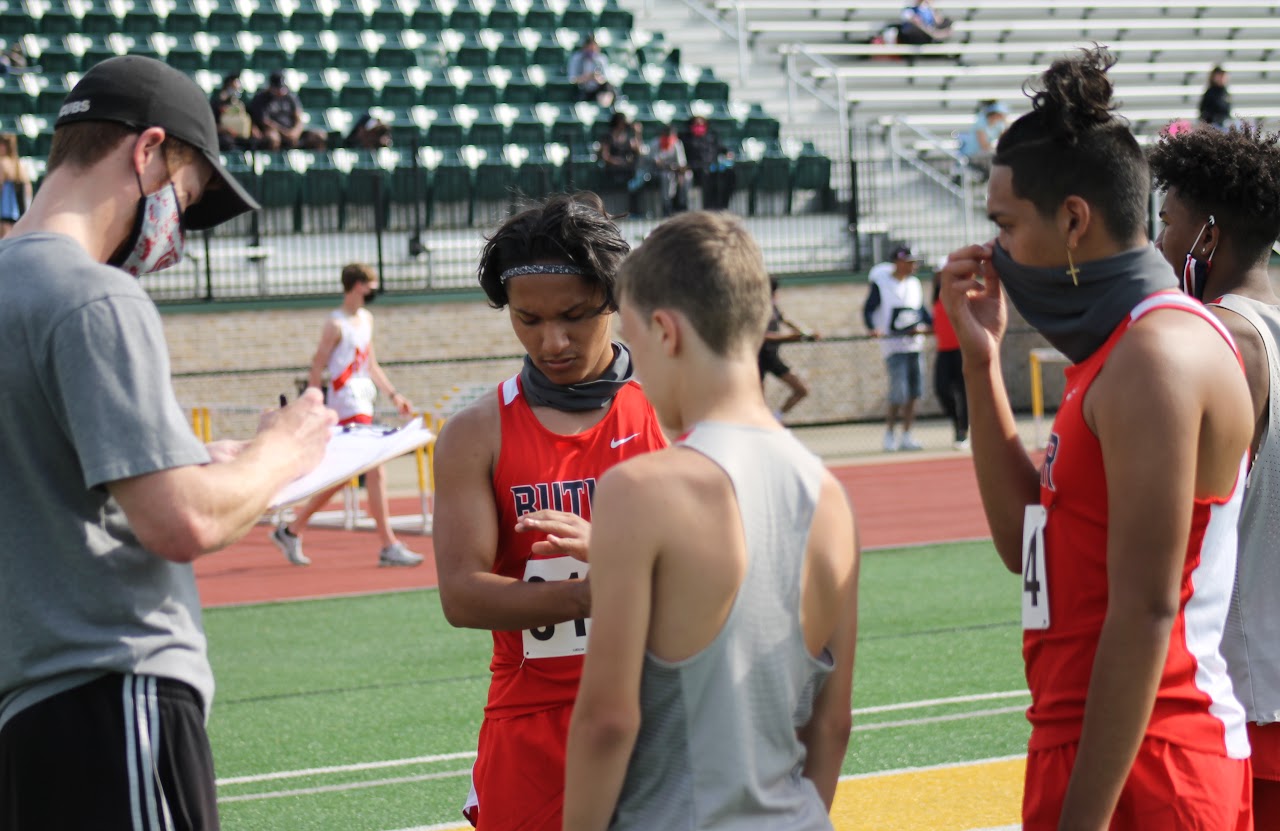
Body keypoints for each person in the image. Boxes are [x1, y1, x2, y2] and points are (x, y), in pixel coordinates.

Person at [0, 55, 335, 829]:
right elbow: (183, 521)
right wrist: (284, 448)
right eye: (184, 196)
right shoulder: (92, 295)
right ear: (146, 150)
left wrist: (198, 466)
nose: (175, 231)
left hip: (27, 715)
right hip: (116, 693)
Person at [938, 46, 1254, 830]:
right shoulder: (1115, 353)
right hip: (1104, 747)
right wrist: (981, 366)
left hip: (1151, 757)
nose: (998, 248)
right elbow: (1026, 544)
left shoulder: (1156, 354)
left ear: (1073, 219)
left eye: (1006, 224)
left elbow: (1146, 610)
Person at [562, 211, 859, 831]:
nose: (633, 370)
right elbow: (832, 724)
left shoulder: (641, 490)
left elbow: (607, 722)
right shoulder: (828, 494)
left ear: (665, 331)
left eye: (634, 343)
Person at [431, 192, 667, 831]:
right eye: (527, 319)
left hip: (666, 708)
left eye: (574, 316)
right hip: (534, 719)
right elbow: (462, 596)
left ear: (615, 301)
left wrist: (619, 564)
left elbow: (736, 569)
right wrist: (599, 591)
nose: (551, 341)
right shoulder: (475, 434)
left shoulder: (674, 414)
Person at [1150, 124, 1280, 827]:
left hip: (1247, 700)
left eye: (1168, 221)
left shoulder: (1218, 339)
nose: (1160, 242)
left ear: (1207, 233)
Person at [271, 263, 424, 568]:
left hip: (364, 399)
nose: (374, 290)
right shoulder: (335, 324)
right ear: (357, 286)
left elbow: (371, 364)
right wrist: (315, 405)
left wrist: (394, 395)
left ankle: (292, 529)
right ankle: (388, 544)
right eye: (370, 284)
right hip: (345, 404)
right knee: (375, 467)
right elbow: (318, 366)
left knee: (346, 474)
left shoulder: (366, 319)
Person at [863, 244, 931, 451]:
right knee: (898, 393)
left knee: (914, 393)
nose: (913, 266)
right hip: (893, 346)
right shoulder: (882, 283)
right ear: (898, 262)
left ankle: (908, 434)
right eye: (909, 262)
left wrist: (927, 326)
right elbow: (869, 308)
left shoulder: (914, 284)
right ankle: (890, 434)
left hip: (914, 345)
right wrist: (873, 328)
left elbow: (921, 311)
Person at [760, 276, 819, 417]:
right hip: (759, 358)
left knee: (801, 389)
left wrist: (806, 333)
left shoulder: (773, 308)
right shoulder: (756, 309)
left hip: (772, 358)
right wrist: (790, 337)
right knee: (758, 400)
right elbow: (760, 336)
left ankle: (777, 417)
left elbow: (787, 321)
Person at [930, 276, 967, 449]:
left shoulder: (963, 296)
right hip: (943, 351)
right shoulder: (936, 300)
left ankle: (963, 430)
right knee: (941, 388)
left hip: (961, 350)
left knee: (964, 391)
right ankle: (957, 422)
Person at [249, 71, 327, 151]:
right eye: (277, 88)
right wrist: (284, 132)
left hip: (292, 131)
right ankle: (276, 161)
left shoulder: (290, 97)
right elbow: (265, 122)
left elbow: (298, 117)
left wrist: (295, 132)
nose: (280, 91)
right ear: (270, 87)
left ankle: (319, 161)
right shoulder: (261, 99)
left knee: (319, 136)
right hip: (275, 131)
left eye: (282, 88)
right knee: (272, 138)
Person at [681, 114, 735, 210]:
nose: (699, 126)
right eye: (696, 124)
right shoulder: (686, 139)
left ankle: (721, 206)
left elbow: (722, 149)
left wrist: (728, 153)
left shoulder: (711, 137)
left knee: (728, 175)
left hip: (711, 167)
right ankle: (706, 207)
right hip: (694, 168)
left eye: (701, 124)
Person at [957, 100, 1008, 180]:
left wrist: (1004, 124)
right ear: (995, 114)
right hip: (973, 154)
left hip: (984, 154)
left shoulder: (998, 125)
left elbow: (1005, 139)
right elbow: (984, 146)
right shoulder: (981, 124)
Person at [648, 124, 691, 216]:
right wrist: (670, 168)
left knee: (688, 176)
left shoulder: (677, 143)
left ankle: (683, 203)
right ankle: (667, 205)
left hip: (675, 171)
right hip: (657, 172)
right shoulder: (656, 143)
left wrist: (680, 173)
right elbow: (657, 163)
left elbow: (682, 163)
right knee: (667, 176)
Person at [210, 71, 255, 151]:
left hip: (240, 134)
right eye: (233, 87)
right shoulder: (216, 103)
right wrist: (226, 130)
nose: (236, 90)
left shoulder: (240, 102)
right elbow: (212, 125)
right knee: (226, 141)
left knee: (253, 141)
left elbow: (247, 118)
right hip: (224, 134)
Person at [567, 34, 614, 108]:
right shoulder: (576, 58)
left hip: (596, 90)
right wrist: (587, 77)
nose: (592, 50)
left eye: (594, 48)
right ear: (584, 47)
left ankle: (605, 109)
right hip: (581, 89)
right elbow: (572, 79)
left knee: (608, 88)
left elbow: (606, 78)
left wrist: (597, 78)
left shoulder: (601, 59)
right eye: (590, 48)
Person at [0, 132, 31, 238]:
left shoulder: (3, 163)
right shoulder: (20, 164)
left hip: (4, 211)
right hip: (17, 212)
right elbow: (27, 190)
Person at [1199, 66, 1233, 130]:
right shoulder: (1210, 93)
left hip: (1224, 123)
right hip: (1213, 125)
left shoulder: (1225, 92)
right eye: (1220, 75)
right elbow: (1204, 111)